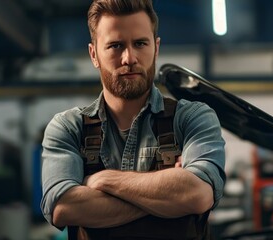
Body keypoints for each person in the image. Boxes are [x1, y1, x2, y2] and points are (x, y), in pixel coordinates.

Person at [40, 0, 226, 239]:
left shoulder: (193, 119)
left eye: (140, 43)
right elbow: (63, 207)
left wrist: (102, 180)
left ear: (156, 48)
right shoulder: (68, 128)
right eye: (116, 46)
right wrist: (168, 197)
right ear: (94, 54)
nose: (129, 58)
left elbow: (197, 195)